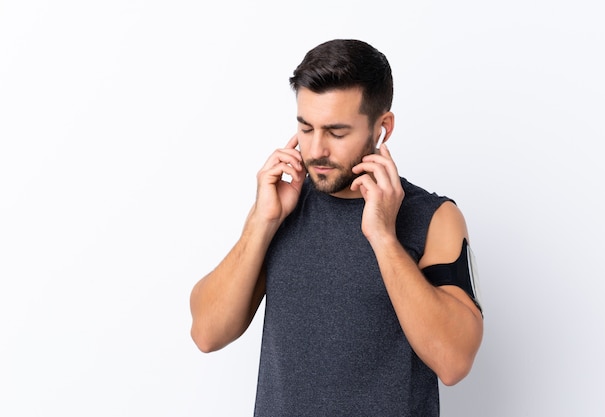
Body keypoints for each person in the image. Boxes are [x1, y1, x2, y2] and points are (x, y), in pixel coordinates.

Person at [190, 39, 483, 416]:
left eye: (337, 132)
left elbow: (454, 361)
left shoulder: (433, 217)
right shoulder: (281, 205)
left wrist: (383, 237)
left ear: (383, 128)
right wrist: (263, 222)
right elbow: (207, 333)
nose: (316, 150)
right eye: (306, 128)